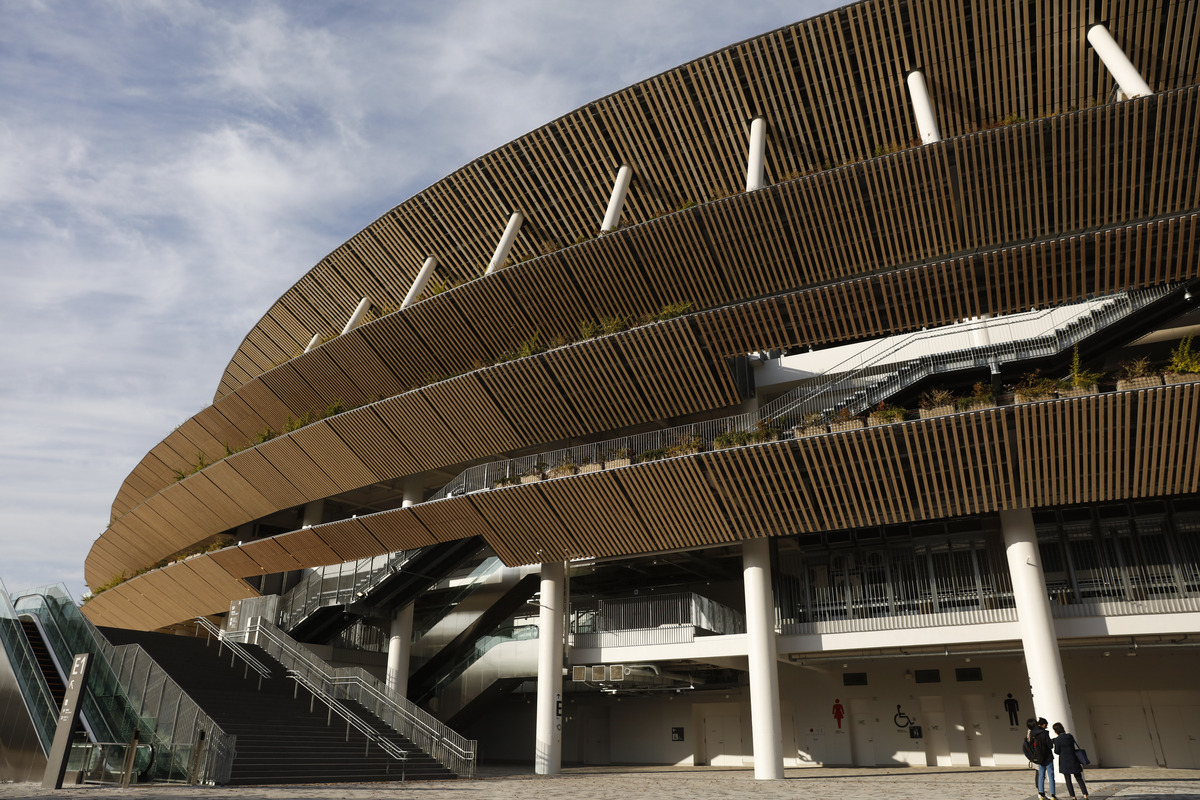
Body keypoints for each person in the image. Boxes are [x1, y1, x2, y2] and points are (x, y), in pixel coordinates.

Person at [1052, 722, 1089, 799]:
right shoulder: (1070, 736)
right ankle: (1085, 795)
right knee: (1079, 778)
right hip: (1073, 759)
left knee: (1068, 780)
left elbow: (1056, 751)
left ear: (1056, 731)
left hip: (1064, 761)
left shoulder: (1057, 740)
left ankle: (1073, 797)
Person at [1027, 717, 1057, 800]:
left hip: (1039, 758)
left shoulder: (1032, 733)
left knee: (1041, 775)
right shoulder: (1044, 733)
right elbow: (1050, 746)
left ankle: (1041, 793)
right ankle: (1052, 794)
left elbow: (1031, 745)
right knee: (1050, 776)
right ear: (1044, 725)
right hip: (1048, 757)